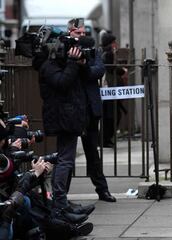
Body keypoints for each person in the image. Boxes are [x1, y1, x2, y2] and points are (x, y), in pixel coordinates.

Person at [38, 22, 92, 223]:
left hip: (69, 117)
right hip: (63, 118)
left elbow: (86, 75)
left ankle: (61, 203)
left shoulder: (60, 64)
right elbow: (62, 83)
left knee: (64, 160)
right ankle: (59, 205)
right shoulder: (49, 66)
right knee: (64, 161)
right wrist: (71, 63)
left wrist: (79, 63)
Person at [66, 19, 116, 202]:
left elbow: (98, 71)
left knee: (93, 154)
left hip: (89, 109)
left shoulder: (93, 51)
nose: (81, 37)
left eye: (83, 33)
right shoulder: (64, 50)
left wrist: (83, 64)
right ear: (70, 33)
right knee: (67, 156)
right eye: (77, 33)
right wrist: (72, 61)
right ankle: (62, 195)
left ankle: (102, 190)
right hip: (71, 109)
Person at [101, 32, 128, 148]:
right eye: (114, 42)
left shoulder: (103, 52)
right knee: (112, 115)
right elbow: (111, 69)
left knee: (110, 114)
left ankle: (105, 138)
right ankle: (106, 139)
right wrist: (122, 71)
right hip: (110, 88)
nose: (115, 44)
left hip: (107, 88)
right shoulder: (108, 53)